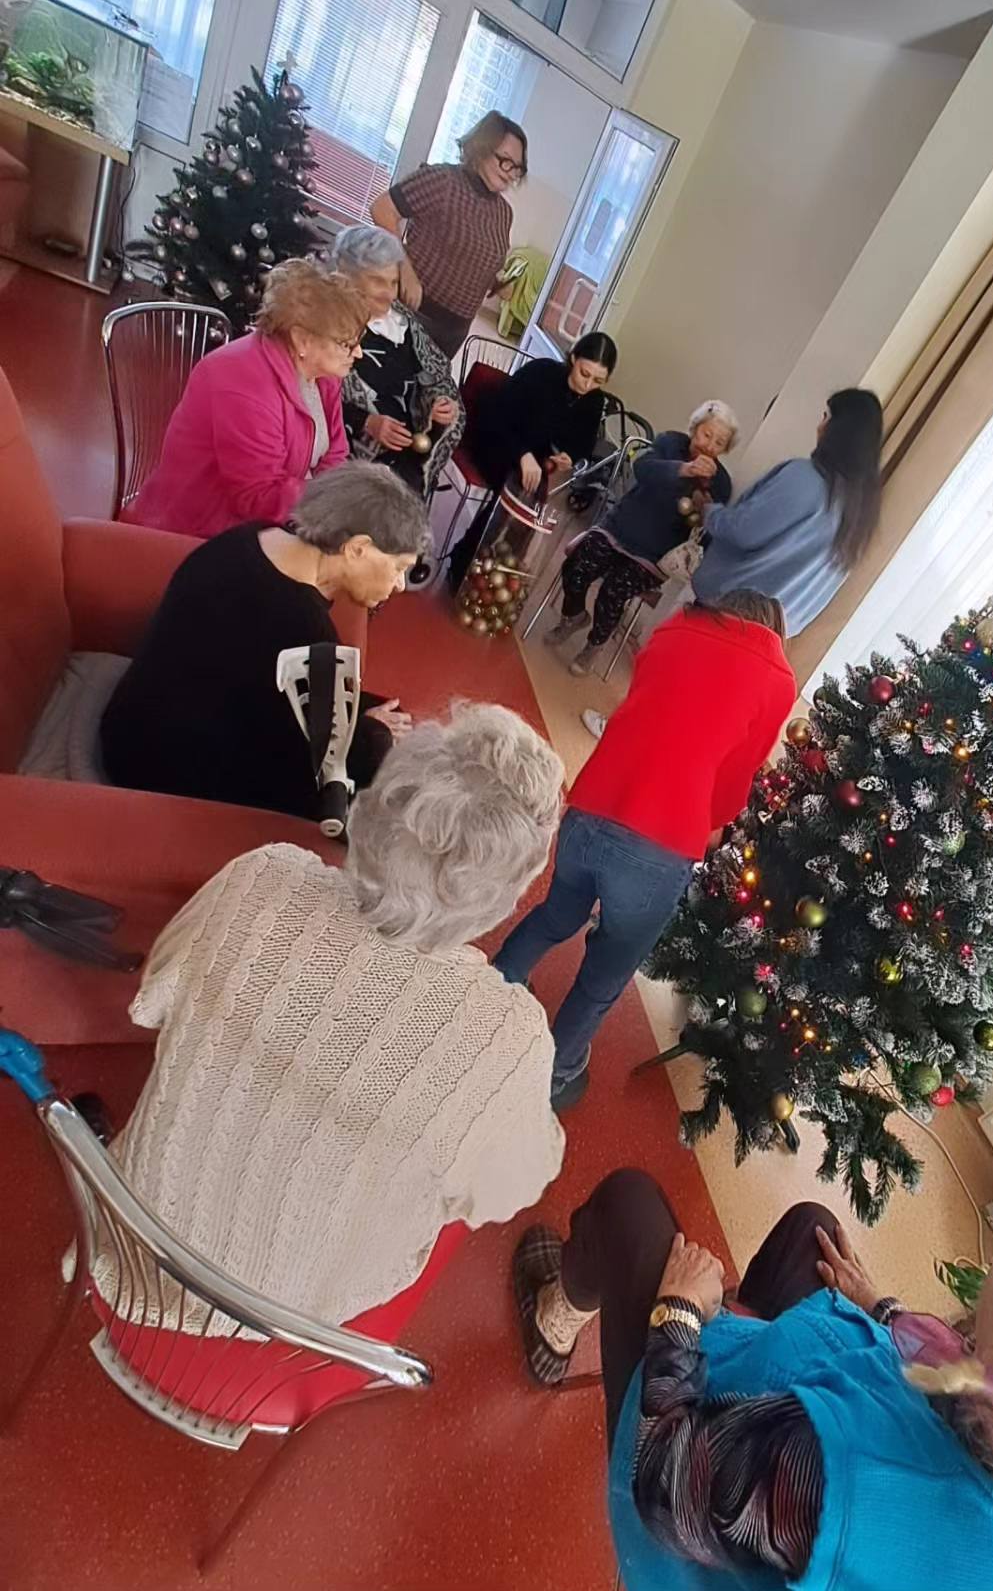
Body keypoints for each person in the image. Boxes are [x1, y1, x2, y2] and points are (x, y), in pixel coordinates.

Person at [103, 703, 567, 1334]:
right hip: (292, 1320)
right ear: (504, 896)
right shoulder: (506, 1042)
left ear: (376, 804)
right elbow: (505, 1193)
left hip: (128, 1236)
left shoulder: (262, 877)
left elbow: (153, 1000)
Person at [514, 1184, 993, 1591]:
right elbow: (957, 1369)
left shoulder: (845, 1483)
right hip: (805, 1461)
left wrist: (680, 1315)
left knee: (631, 1206)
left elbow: (667, 1483)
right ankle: (733, 1318)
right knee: (811, 1231)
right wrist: (885, 1311)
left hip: (691, 1493)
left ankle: (555, 1319)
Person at [494, 591, 795, 1109]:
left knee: (556, 914)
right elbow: (737, 773)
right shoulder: (777, 680)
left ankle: (494, 985)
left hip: (592, 804)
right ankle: (558, 1073)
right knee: (606, 970)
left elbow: (646, 709)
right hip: (662, 842)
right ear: (775, 629)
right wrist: (715, 822)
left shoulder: (674, 629)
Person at [102, 464, 424, 821]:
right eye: (398, 567)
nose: (399, 585)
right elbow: (323, 765)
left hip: (142, 716)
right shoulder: (303, 629)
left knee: (377, 717)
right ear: (357, 549)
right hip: (153, 762)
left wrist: (361, 724)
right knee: (373, 764)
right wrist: (371, 736)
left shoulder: (254, 536)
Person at [129, 259, 366, 539]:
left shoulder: (324, 375)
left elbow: (334, 454)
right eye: (347, 344)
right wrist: (335, 501)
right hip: (196, 534)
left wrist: (334, 499)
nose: (359, 353)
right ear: (302, 340)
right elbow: (257, 497)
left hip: (269, 520)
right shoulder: (245, 387)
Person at [547, 400, 738, 677]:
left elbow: (706, 531)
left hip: (653, 555)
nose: (709, 445)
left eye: (719, 443)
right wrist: (684, 470)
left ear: (725, 449)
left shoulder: (721, 483)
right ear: (694, 428)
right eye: (706, 435)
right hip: (619, 528)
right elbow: (643, 468)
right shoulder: (670, 442)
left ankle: (594, 645)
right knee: (578, 565)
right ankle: (574, 616)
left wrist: (704, 507)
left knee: (613, 590)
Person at [692, 386, 883, 635]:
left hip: (724, 615)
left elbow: (744, 530)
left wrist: (709, 511)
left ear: (838, 428)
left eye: (826, 417)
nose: (820, 425)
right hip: (768, 637)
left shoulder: (806, 478)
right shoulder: (859, 516)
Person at [446, 331, 617, 591]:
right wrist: (522, 454)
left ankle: (497, 571)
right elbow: (497, 416)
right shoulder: (541, 373)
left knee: (535, 499)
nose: (588, 384)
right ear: (573, 358)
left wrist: (569, 456)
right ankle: (466, 564)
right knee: (518, 489)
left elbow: (583, 444)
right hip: (497, 441)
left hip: (535, 460)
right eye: (585, 374)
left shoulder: (594, 400)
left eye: (598, 380)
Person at [370, 110, 528, 360]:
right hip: (412, 312)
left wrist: (495, 282)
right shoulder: (443, 180)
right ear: (482, 148)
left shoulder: (504, 213)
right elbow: (382, 209)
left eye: (517, 168)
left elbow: (474, 253)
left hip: (455, 330)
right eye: (505, 161)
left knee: (427, 386)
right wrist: (404, 268)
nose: (511, 173)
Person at [328, 224, 464, 501]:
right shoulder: (330, 326)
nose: (390, 294)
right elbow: (313, 397)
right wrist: (367, 422)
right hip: (355, 461)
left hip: (408, 454)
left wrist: (437, 405)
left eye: (393, 282)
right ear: (347, 277)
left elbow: (435, 376)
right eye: (378, 281)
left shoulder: (402, 321)